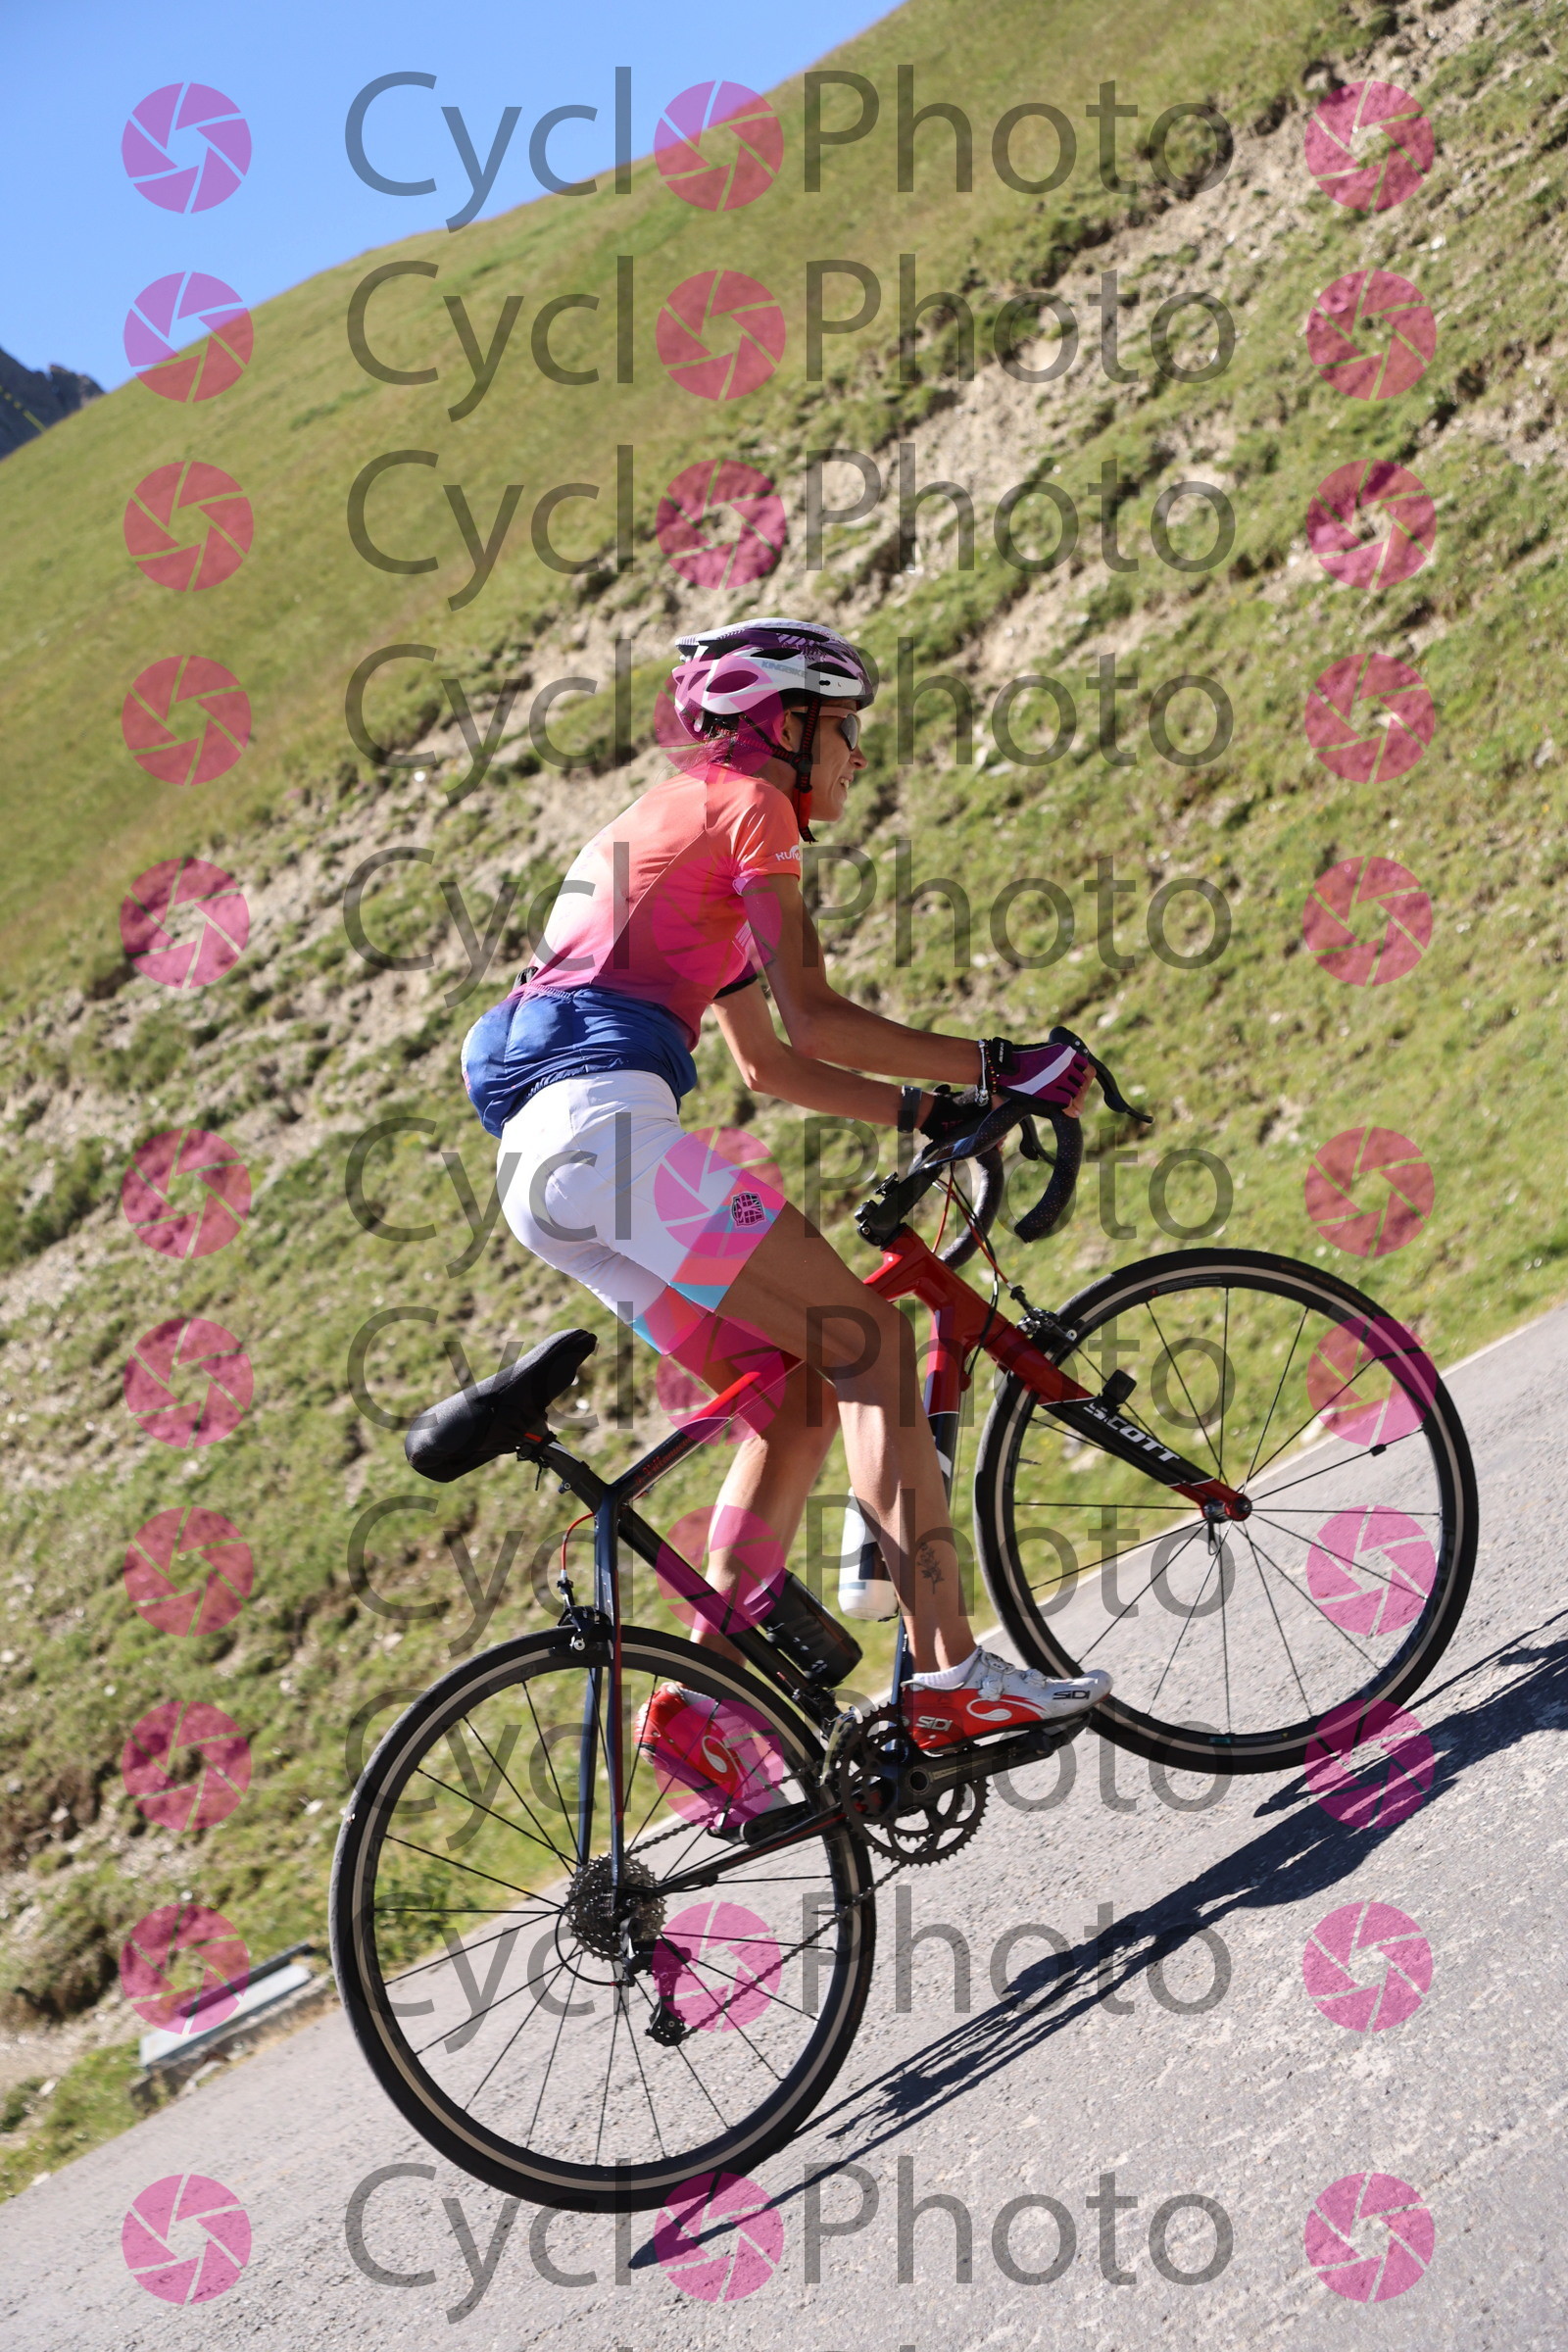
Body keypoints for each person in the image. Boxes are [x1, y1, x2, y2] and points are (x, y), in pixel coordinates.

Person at [461, 616, 1109, 1794]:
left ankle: (699, 1708)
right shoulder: (747, 804)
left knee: (799, 1394)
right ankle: (948, 1676)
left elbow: (769, 1066)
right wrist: (1000, 1063)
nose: (857, 756)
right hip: (606, 1136)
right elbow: (815, 1015)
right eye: (844, 729)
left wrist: (927, 1114)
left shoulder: (663, 823)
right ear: (784, 725)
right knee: (872, 1343)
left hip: (542, 1173)